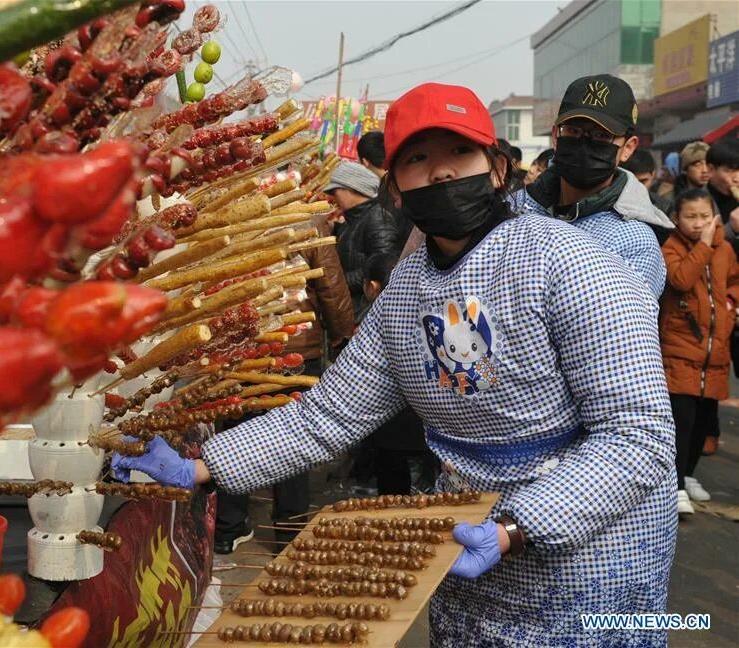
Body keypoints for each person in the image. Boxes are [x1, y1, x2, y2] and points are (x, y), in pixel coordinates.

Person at [114, 82, 677, 646]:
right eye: (417, 159)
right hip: (463, 530)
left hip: (588, 547)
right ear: (396, 191)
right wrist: (201, 467)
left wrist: (515, 526)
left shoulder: (574, 263)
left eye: (460, 153)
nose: (441, 173)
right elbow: (327, 417)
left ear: (498, 169)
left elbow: (638, 436)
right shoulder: (407, 293)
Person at [214, 213, 356, 552]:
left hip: (243, 350)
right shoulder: (309, 220)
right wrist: (341, 337)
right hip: (296, 349)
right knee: (294, 436)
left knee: (237, 432)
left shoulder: (234, 214)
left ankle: (228, 527)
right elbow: (331, 288)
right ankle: (288, 531)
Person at [513, 74, 673, 297]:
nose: (584, 144)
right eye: (573, 131)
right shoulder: (514, 208)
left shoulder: (636, 242)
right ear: (556, 137)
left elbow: (620, 327)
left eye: (601, 136)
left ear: (627, 148)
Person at [660, 188, 739, 515]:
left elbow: (734, 280)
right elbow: (680, 278)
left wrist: (731, 303)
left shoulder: (726, 250)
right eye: (691, 217)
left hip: (714, 352)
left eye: (704, 216)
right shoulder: (672, 247)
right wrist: (705, 245)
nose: (698, 223)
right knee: (683, 422)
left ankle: (689, 475)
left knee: (705, 423)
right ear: (676, 219)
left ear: (715, 216)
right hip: (680, 349)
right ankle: (675, 485)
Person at [360, 252, 434, 495]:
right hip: (429, 435)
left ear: (372, 287)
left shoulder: (372, 329)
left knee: (394, 499)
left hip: (391, 436)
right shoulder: (432, 321)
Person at [326, 162, 403, 323]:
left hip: (363, 315)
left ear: (352, 189)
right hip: (350, 309)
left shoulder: (378, 219)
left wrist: (337, 282)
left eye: (335, 191)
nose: (332, 198)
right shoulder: (353, 219)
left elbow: (383, 270)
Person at [621, 147, 673, 224]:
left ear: (653, 174)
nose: (638, 186)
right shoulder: (613, 204)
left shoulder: (665, 207)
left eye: (643, 181)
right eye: (632, 181)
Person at [706, 137, 739, 236]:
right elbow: (699, 246)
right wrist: (731, 228)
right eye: (730, 170)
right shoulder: (695, 202)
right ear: (711, 170)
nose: (737, 179)